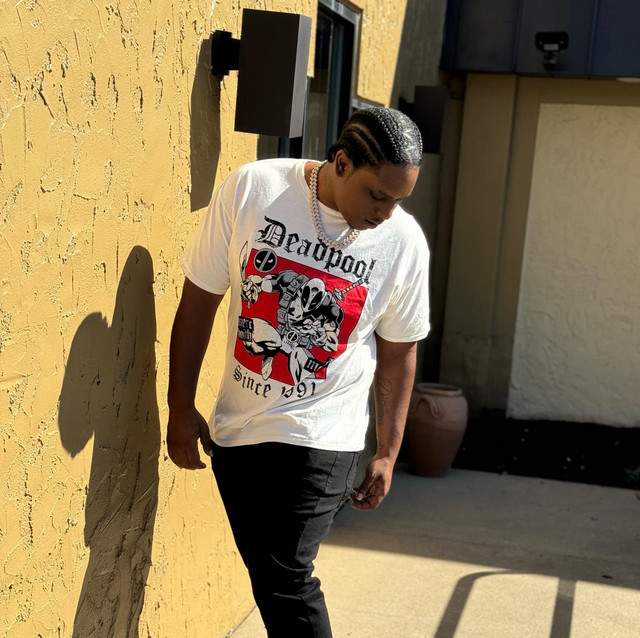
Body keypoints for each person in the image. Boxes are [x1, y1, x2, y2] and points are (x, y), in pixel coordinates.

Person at [167, 107, 430, 637]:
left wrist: (388, 449)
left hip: (323, 436)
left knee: (286, 576)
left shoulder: (404, 243)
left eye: (398, 200)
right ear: (341, 163)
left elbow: (399, 350)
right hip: (238, 429)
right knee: (270, 575)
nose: (386, 213)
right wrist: (179, 407)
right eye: (377, 195)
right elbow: (199, 299)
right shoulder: (255, 188)